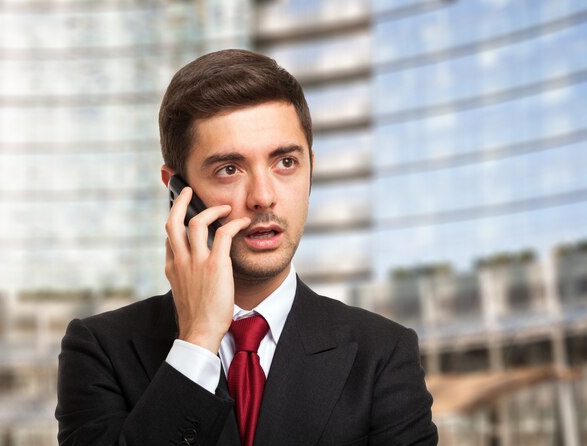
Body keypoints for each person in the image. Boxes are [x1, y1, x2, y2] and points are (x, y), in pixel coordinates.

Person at [55, 49, 438, 446]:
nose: (263, 197)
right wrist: (197, 341)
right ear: (178, 191)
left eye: (285, 163)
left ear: (311, 170)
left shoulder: (383, 354)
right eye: (229, 169)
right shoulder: (100, 349)